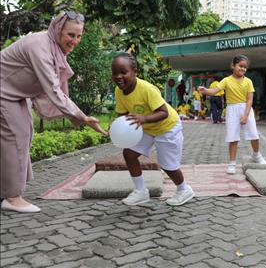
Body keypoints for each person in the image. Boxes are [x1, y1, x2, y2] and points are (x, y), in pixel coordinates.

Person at [0, 11, 108, 213]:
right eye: (70, 35)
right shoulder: (39, 46)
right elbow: (53, 89)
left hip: (15, 93)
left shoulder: (52, 46)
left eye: (79, 36)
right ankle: (11, 198)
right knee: (17, 137)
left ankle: (9, 189)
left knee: (25, 134)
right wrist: (83, 117)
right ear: (58, 30)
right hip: (4, 91)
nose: (74, 41)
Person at [111, 52, 194, 206]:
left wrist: (143, 118)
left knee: (168, 166)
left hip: (167, 127)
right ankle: (141, 191)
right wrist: (116, 125)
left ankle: (184, 189)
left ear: (135, 72)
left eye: (123, 72)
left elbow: (164, 112)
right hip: (147, 128)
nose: (119, 76)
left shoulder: (146, 89)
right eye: (115, 73)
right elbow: (123, 115)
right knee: (129, 153)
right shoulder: (119, 91)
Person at [199, 55, 266, 174]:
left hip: (246, 108)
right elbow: (214, 91)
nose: (243, 69)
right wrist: (205, 90)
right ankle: (232, 164)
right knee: (233, 137)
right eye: (240, 66)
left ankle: (256, 155)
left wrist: (246, 116)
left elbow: (250, 100)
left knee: (254, 135)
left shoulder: (248, 82)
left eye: (245, 67)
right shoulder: (226, 80)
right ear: (233, 65)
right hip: (232, 109)